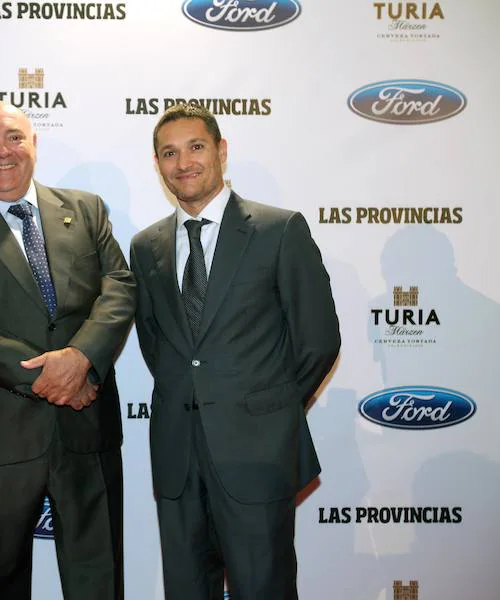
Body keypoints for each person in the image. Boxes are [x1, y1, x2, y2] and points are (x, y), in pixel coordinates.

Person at [0, 101, 135, 599]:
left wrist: (81, 360)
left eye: (14, 137)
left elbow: (119, 287)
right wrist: (49, 375)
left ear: (34, 143)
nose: (2, 152)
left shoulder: (86, 209)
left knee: (99, 578)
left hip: (88, 426)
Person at [129, 103, 341, 600]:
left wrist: (267, 411)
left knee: (262, 588)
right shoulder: (145, 246)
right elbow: (155, 343)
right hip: (178, 455)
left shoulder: (279, 230)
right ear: (158, 165)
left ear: (222, 151)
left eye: (196, 147)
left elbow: (318, 340)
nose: (184, 163)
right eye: (169, 153)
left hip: (258, 453)